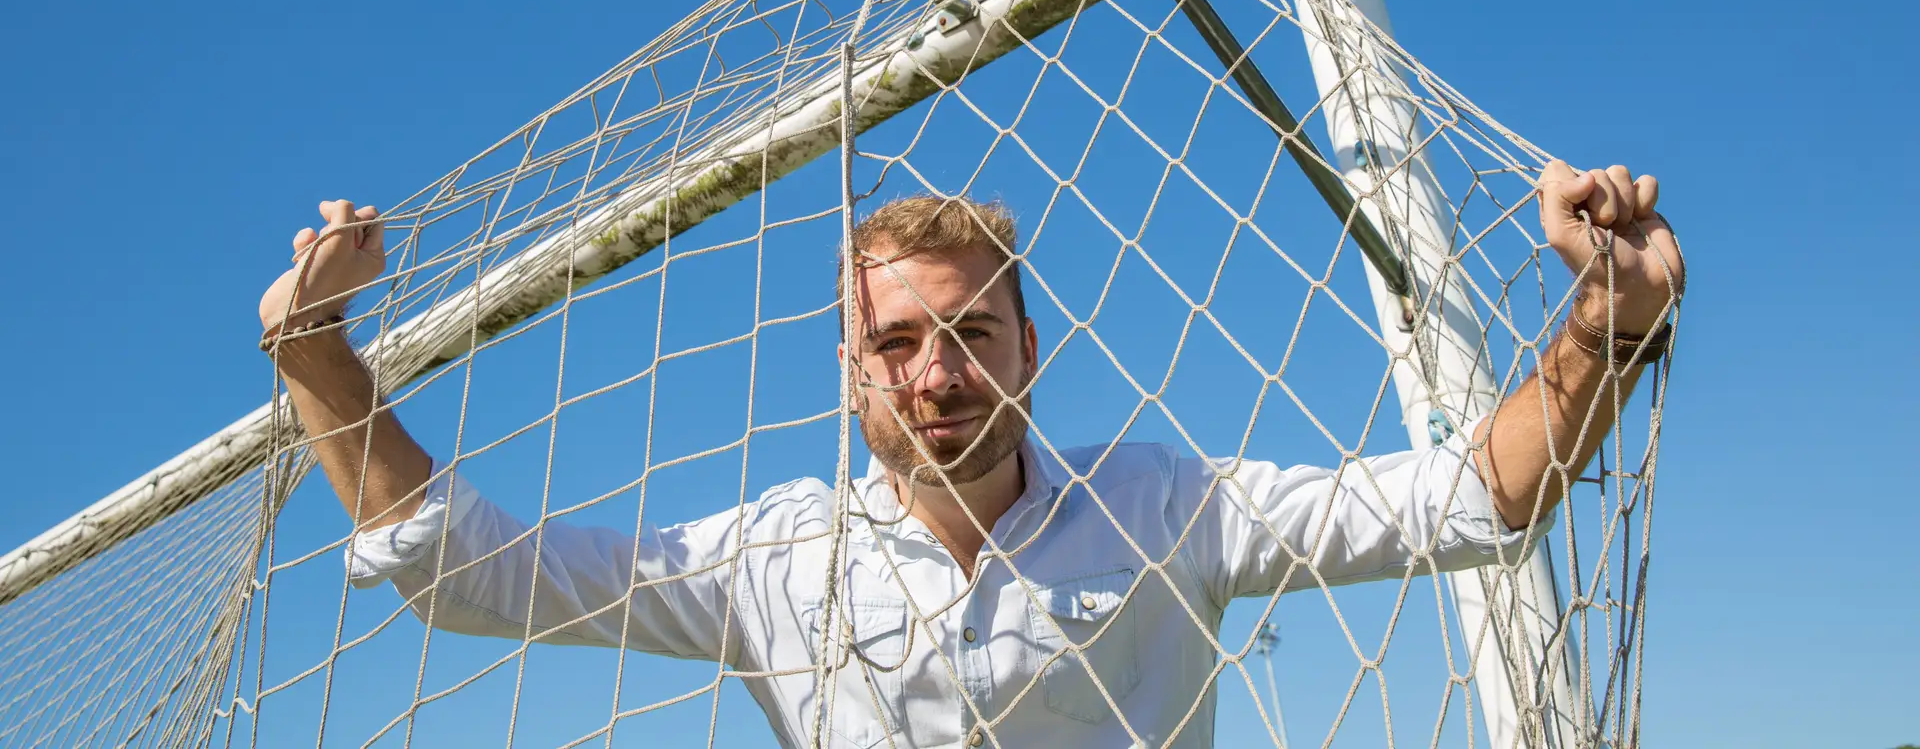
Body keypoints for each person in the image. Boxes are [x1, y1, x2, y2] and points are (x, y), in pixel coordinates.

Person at [258, 163, 1681, 748]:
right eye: (896, 344)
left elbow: (1465, 494)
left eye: (971, 333)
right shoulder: (776, 558)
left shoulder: (1161, 502)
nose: (935, 373)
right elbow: (473, 577)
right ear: (851, 371)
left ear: (1027, 347)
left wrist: (1604, 329)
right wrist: (319, 355)